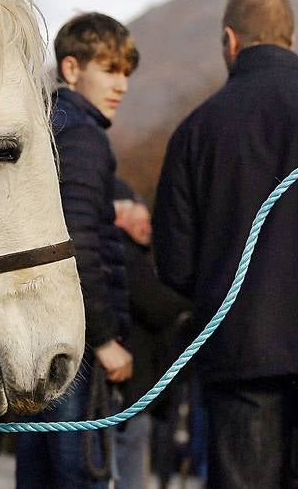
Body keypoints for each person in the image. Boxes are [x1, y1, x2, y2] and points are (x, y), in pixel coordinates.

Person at [153, 0, 298, 489]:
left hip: (240, 348)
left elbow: (175, 264)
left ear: (230, 41)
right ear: (290, 41)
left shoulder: (195, 131)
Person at [15, 12, 138, 489]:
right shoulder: (83, 135)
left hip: (33, 340)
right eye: (109, 69)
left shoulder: (45, 127)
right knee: (80, 476)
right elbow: (78, 238)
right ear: (71, 69)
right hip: (76, 346)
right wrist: (105, 339)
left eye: (126, 72)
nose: (122, 85)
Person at [110, 181, 192, 489]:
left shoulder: (133, 255)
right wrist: (195, 306)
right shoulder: (124, 253)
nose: (147, 229)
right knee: (130, 465)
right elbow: (155, 305)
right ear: (120, 219)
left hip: (140, 383)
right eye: (139, 223)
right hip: (133, 384)